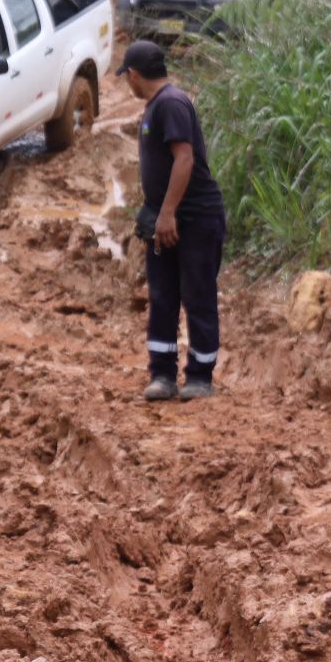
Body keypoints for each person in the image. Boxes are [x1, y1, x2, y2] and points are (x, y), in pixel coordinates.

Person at [118, 40, 227, 401]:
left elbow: (185, 159)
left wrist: (167, 214)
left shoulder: (172, 104)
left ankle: (200, 377)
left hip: (194, 218)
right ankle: (162, 375)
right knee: (163, 295)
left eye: (127, 78)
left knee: (197, 294)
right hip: (164, 219)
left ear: (134, 75)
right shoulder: (158, 106)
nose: (127, 84)